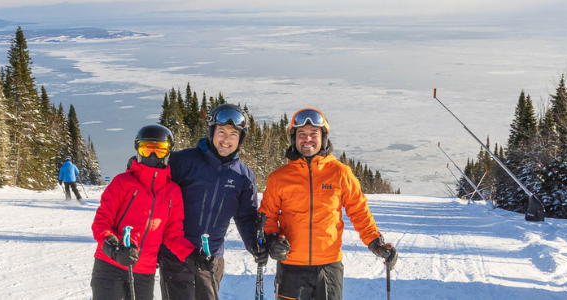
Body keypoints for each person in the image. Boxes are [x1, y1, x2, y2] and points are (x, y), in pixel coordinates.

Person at [258, 108, 398, 300]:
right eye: (302, 134)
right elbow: (268, 216)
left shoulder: (340, 173)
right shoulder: (279, 178)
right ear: (294, 138)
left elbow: (359, 210)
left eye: (314, 134)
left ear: (323, 137)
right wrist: (272, 239)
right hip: (291, 266)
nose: (308, 139)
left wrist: (375, 242)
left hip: (329, 267)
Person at [158, 104, 263, 300]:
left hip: (211, 257)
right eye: (221, 132)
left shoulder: (243, 176)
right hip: (176, 255)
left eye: (233, 134)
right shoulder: (183, 161)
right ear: (211, 132)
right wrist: (139, 163)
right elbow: (153, 184)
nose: (226, 139)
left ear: (241, 138)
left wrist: (255, 246)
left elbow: (246, 216)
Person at [90, 125, 196, 300]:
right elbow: (102, 221)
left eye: (160, 150)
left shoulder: (173, 192)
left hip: (143, 271)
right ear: (138, 150)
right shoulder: (122, 183)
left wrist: (193, 255)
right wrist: (113, 247)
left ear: (168, 152)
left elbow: (173, 234)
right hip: (110, 264)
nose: (153, 155)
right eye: (147, 149)